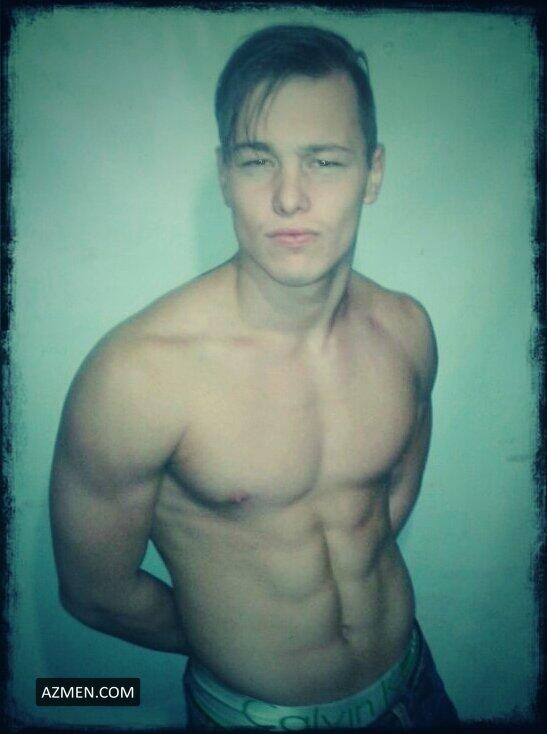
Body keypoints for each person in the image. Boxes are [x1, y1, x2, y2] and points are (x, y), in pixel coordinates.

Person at [49, 24, 459, 730]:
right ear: (223, 176)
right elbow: (94, 593)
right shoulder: (136, 378)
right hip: (250, 718)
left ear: (372, 173)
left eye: (324, 161)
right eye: (257, 160)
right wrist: (232, 636)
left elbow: (387, 502)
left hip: (415, 688)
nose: (289, 197)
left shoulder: (406, 331)